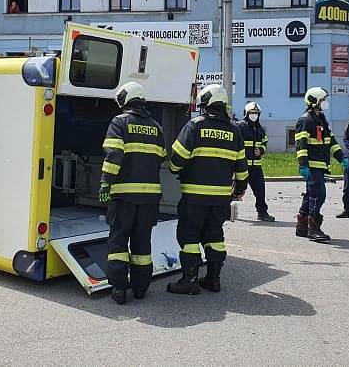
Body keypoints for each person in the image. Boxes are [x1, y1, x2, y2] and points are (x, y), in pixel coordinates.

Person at [167, 84, 248, 295]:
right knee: (214, 235)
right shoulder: (234, 131)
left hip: (194, 196)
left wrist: (176, 170)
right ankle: (213, 279)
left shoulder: (195, 126)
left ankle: (189, 280)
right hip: (221, 198)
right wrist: (239, 189)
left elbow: (177, 158)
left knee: (189, 235)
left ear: (206, 104)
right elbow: (242, 167)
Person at [99, 82, 166, 305]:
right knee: (142, 243)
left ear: (125, 99)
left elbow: (114, 155)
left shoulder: (120, 122)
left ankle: (119, 289)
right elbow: (161, 155)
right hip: (150, 198)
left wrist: (105, 182)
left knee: (118, 242)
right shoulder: (156, 126)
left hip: (124, 196)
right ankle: (140, 288)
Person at [294, 87, 345, 243]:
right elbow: (300, 146)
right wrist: (303, 165)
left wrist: (341, 158)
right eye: (323, 100)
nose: (325, 103)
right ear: (314, 102)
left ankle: (302, 226)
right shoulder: (305, 120)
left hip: (320, 165)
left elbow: (331, 141)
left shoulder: (321, 119)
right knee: (318, 194)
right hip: (312, 165)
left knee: (311, 194)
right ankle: (313, 228)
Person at [236, 102, 274, 222]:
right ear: (247, 114)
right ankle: (226, 211)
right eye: (252, 113)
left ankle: (262, 212)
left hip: (256, 166)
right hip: (242, 165)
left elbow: (265, 143)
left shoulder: (260, 129)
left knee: (260, 190)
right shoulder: (239, 126)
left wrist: (261, 150)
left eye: (256, 113)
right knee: (235, 189)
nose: (254, 115)